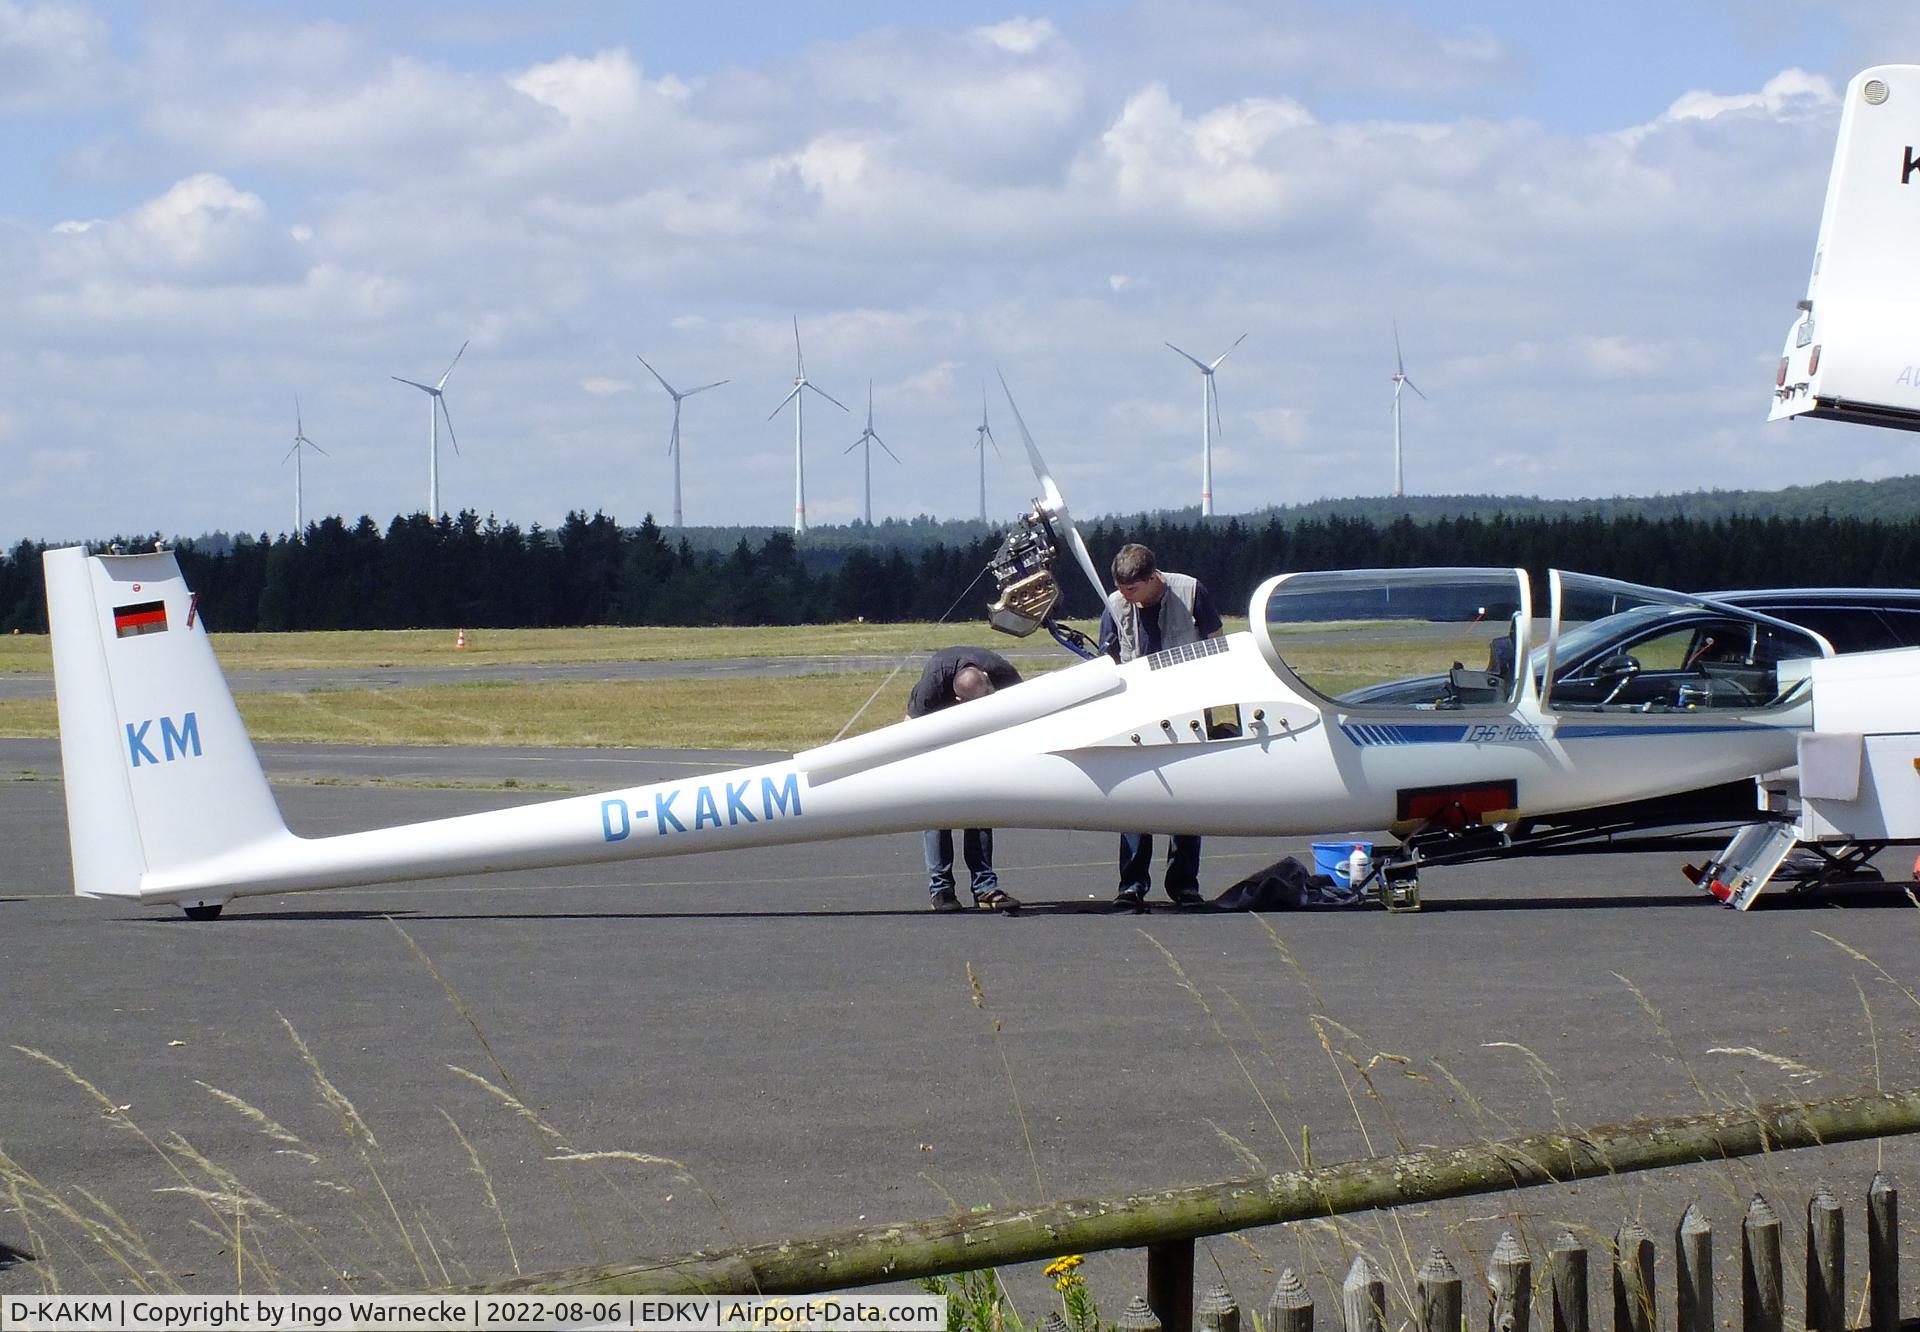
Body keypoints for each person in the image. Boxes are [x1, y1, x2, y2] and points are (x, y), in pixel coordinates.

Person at [1097, 543, 1224, 910]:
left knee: (1187, 797)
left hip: (1188, 709)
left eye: (1132, 589)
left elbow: (1217, 645)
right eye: (1121, 589)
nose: (1126, 597)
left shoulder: (1191, 591)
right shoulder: (1115, 603)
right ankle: (1132, 883)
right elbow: (1109, 659)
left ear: (1154, 578)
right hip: (1136, 713)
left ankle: (1184, 883)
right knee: (1133, 799)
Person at [906, 646, 1023, 913]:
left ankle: (985, 887)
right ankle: (941, 890)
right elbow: (911, 726)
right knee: (937, 812)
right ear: (959, 702)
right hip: (936, 734)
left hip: (984, 739)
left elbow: (1027, 716)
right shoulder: (935, 680)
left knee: (978, 808)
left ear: (988, 680)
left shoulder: (1001, 672)